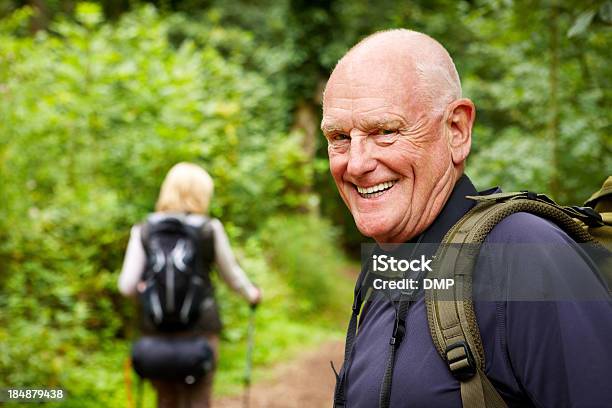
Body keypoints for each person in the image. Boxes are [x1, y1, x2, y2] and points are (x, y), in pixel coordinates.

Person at [321, 29, 612, 407]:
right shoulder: (384, 270)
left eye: (385, 131)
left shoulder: (526, 257)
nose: (356, 164)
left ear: (457, 129)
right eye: (339, 137)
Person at [118, 162, 261, 408]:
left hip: (156, 332)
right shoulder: (209, 229)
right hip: (200, 332)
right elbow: (232, 275)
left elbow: (126, 286)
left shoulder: (144, 230)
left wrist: (147, 297)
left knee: (166, 400)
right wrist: (252, 295)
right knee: (198, 400)